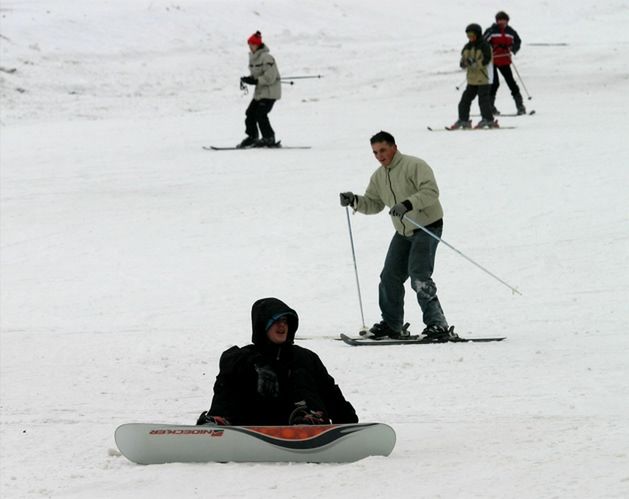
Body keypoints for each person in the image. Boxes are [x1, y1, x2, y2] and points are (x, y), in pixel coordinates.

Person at [339, 131, 456, 342]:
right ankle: (393, 325)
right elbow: (374, 203)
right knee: (389, 277)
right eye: (375, 152)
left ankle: (438, 324)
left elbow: (431, 191)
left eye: (383, 150)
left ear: (394, 147)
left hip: (427, 226)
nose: (379, 156)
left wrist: (408, 204)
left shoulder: (414, 165)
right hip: (403, 231)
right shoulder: (379, 176)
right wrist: (355, 200)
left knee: (419, 274)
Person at [196, 297, 358, 426]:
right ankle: (221, 421)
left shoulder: (306, 357)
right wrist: (257, 365)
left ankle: (310, 417)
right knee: (235, 367)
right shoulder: (243, 356)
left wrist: (348, 422)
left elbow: (329, 391)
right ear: (262, 326)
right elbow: (228, 363)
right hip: (254, 421)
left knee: (300, 369)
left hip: (295, 419)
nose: (282, 326)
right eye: (276, 321)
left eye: (285, 321)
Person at [237, 31, 281, 148]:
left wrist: (256, 81)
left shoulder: (267, 58)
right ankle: (252, 137)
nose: (250, 47)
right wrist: (249, 79)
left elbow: (270, 77)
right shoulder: (253, 58)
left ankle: (269, 138)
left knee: (260, 114)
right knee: (250, 113)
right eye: (249, 45)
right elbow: (257, 75)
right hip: (260, 93)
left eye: (252, 45)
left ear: (257, 45)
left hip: (270, 93)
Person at [450, 23, 496, 129]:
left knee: (483, 100)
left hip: (484, 78)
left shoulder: (485, 45)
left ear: (478, 34)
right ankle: (463, 119)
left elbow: (486, 60)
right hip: (472, 79)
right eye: (468, 35)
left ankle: (488, 119)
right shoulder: (467, 47)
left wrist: (474, 63)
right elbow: (462, 61)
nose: (470, 37)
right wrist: (464, 63)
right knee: (465, 100)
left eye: (472, 34)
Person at [483, 11, 526, 115]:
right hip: (492, 61)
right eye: (499, 20)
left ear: (507, 21)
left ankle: (520, 106)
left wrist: (513, 48)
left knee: (511, 82)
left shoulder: (511, 31)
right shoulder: (491, 31)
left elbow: (518, 41)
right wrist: (490, 48)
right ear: (496, 21)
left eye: (504, 20)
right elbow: (483, 42)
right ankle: (490, 107)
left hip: (504, 60)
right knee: (494, 83)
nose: (502, 22)